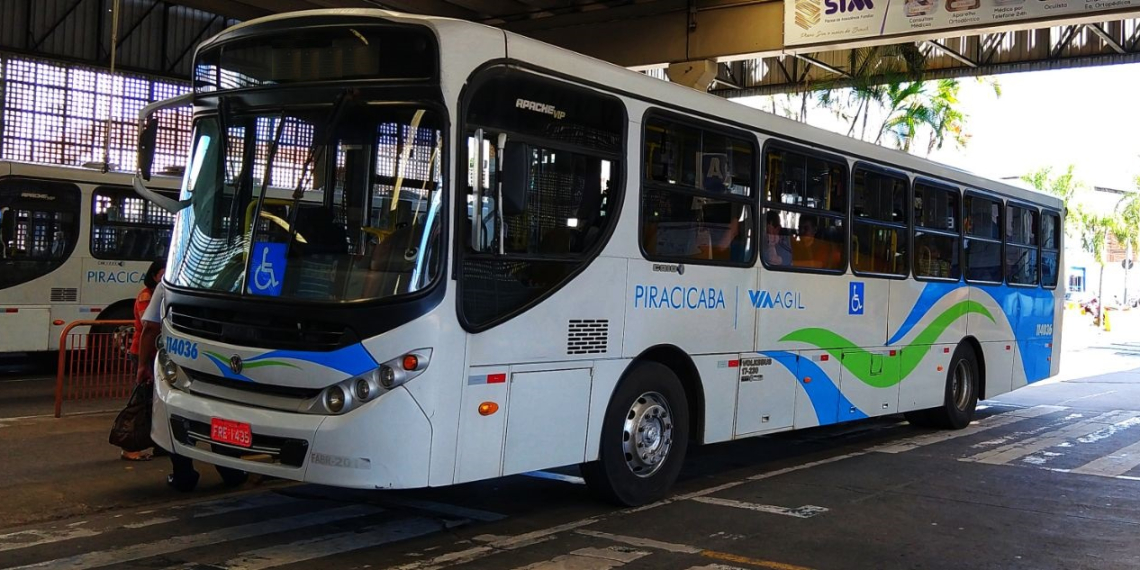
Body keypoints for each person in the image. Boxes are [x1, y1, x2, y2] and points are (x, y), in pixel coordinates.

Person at [137, 279, 249, 492]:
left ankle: (184, 475)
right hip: (220, 362)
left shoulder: (170, 282)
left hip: (180, 364)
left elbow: (150, 327)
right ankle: (231, 472)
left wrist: (142, 365)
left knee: (178, 417)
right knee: (221, 417)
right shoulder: (228, 282)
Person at [118, 260, 164, 462]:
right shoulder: (146, 296)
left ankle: (159, 444)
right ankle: (129, 446)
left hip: (156, 354)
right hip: (143, 353)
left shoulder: (160, 293)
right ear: (154, 276)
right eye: (162, 274)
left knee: (155, 402)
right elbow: (148, 325)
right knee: (140, 401)